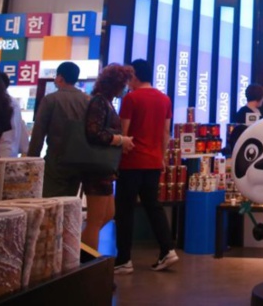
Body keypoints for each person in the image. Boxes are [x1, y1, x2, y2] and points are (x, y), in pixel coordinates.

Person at [114, 59, 178, 274]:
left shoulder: (130, 99)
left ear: (134, 76)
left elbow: (125, 132)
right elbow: (166, 132)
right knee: (153, 206)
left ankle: (124, 260)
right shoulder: (164, 99)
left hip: (131, 161)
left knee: (124, 210)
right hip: (153, 160)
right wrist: (161, 156)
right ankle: (168, 249)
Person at [81, 64, 135, 251]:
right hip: (97, 168)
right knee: (95, 220)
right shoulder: (99, 102)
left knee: (107, 214)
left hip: (104, 169)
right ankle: (85, 263)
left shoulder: (105, 102)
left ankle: (81, 251)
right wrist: (120, 140)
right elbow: (94, 133)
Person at [29, 62, 91, 197]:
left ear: (60, 78)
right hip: (79, 159)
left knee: (51, 201)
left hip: (56, 160)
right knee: (70, 201)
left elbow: (38, 133)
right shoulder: (87, 100)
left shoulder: (50, 100)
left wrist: (31, 160)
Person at [0, 73, 29, 158]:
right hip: (9, 153)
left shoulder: (7, 102)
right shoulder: (13, 102)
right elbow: (20, 126)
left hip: (3, 153)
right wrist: (25, 149)